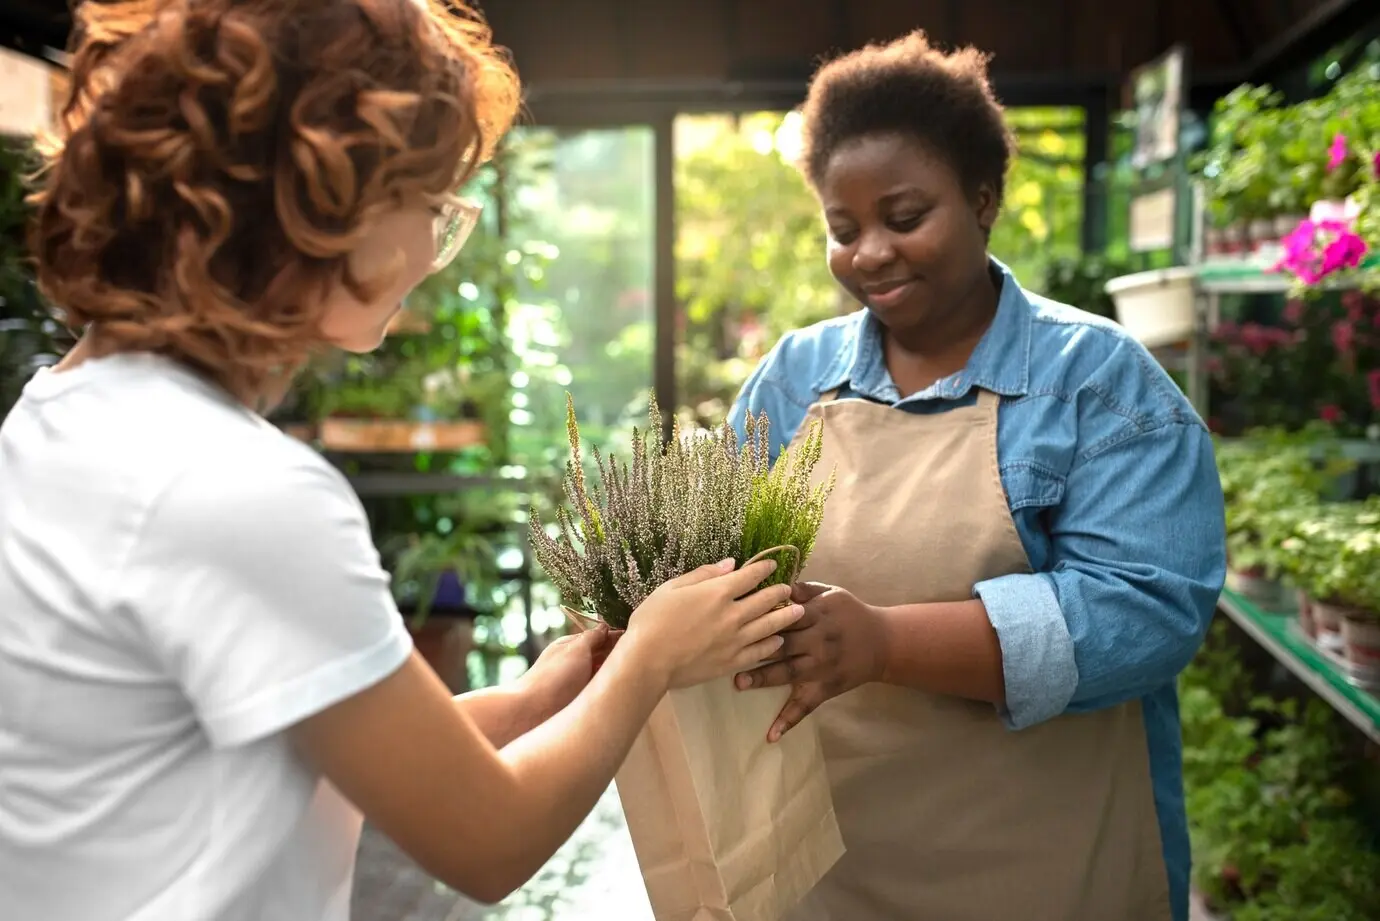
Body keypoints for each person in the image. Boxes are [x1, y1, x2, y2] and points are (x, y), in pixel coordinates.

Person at [0, 2, 803, 919]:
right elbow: (487, 841)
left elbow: (317, 751)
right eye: (427, 204)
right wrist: (648, 660)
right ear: (313, 202)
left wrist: (545, 692)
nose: (433, 250)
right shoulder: (237, 489)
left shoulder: (60, 413)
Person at [729, 31, 1226, 921]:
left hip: (1050, 870)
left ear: (985, 197)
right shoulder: (793, 381)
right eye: (843, 231)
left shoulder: (1099, 382)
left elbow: (1148, 611)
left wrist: (881, 641)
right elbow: (721, 564)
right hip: (830, 869)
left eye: (905, 216)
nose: (870, 252)